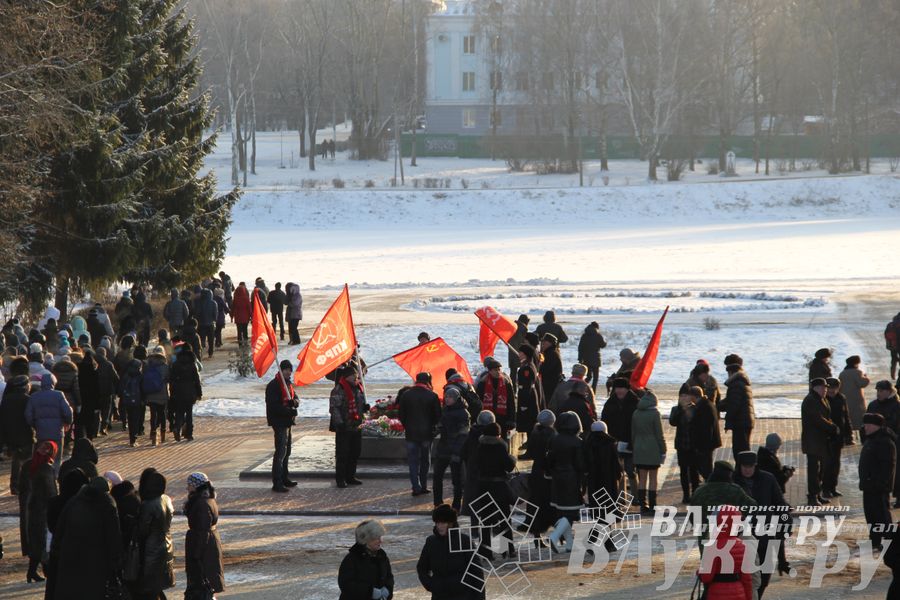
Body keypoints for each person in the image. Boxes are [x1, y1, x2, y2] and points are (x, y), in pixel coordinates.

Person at [49, 476, 121, 599]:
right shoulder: (108, 504)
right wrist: (116, 565)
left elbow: (59, 532)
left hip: (69, 561)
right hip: (96, 565)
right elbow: (114, 539)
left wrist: (56, 556)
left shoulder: (73, 502)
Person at [733, 451, 790, 598]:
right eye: (744, 466)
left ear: (755, 465)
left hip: (765, 533)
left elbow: (779, 504)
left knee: (765, 574)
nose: (747, 469)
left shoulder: (767, 479)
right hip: (741, 537)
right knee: (744, 575)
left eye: (750, 466)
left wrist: (785, 524)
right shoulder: (732, 481)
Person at [416, 504, 483, 600]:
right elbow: (421, 568)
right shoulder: (431, 542)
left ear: (451, 523)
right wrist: (431, 585)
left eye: (443, 523)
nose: (440, 526)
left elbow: (476, 572)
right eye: (437, 523)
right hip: (439, 596)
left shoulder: (464, 541)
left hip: (463, 595)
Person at [471, 422, 516, 559]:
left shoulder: (480, 447)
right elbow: (508, 467)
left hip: (484, 487)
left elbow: (475, 466)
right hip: (499, 487)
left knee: (486, 520)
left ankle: (486, 551)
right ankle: (507, 549)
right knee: (504, 519)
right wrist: (512, 459)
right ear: (498, 434)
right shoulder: (500, 448)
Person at [44, 468, 88, 599]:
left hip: (58, 551)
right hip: (77, 554)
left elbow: (51, 528)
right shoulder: (82, 504)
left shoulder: (54, 502)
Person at [18, 440, 57, 582]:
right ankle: (45, 571)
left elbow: (20, 486)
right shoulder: (47, 467)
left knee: (34, 540)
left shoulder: (28, 465)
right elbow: (51, 491)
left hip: (28, 508)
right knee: (44, 541)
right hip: (42, 509)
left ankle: (32, 572)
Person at [134, 470, 175, 600]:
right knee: (159, 583)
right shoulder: (166, 499)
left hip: (152, 547)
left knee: (150, 585)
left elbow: (143, 530)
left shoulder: (148, 504)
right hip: (167, 543)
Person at [697, 505, 754, 600]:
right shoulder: (742, 546)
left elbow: (706, 577)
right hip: (738, 593)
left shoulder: (712, 546)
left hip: (717, 593)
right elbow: (746, 578)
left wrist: (700, 572)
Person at [398, 372, 441, 496]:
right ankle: (424, 486)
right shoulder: (432, 396)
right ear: (428, 381)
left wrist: (407, 425)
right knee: (425, 460)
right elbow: (438, 416)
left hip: (411, 433)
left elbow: (401, 415)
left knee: (413, 461)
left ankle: (415, 487)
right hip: (427, 434)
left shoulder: (406, 395)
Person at [546, 411, 583, 553]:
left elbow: (549, 460)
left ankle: (569, 544)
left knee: (563, 512)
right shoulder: (577, 442)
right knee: (571, 513)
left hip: (557, 478)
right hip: (572, 479)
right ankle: (555, 536)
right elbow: (580, 464)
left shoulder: (554, 439)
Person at [858, 413, 896, 550]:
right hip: (868, 486)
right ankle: (874, 541)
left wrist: (879, 484)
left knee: (882, 517)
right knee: (871, 516)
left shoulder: (885, 442)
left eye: (868, 425)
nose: (865, 427)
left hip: (878, 488)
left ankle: (890, 542)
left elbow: (888, 467)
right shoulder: (872, 438)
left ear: (876, 426)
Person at [184, 472, 224, 595]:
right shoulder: (207, 499)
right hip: (208, 544)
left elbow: (203, 531)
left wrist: (196, 554)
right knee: (206, 581)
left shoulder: (201, 503)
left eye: (189, 484)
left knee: (203, 582)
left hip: (203, 547)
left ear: (196, 486)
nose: (187, 487)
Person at [25, 373, 72, 476]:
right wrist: (67, 422)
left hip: (41, 432)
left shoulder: (34, 396)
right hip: (57, 432)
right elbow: (68, 412)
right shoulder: (59, 394)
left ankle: (40, 477)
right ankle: (54, 478)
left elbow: (28, 414)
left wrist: (35, 425)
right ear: (53, 383)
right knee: (56, 458)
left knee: (41, 455)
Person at [600, 377, 639, 498]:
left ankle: (636, 497)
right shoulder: (610, 403)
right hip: (615, 442)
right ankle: (622, 497)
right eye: (617, 388)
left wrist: (631, 442)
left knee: (630, 471)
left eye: (622, 388)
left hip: (630, 442)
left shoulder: (635, 402)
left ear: (627, 389)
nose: (619, 391)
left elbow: (637, 425)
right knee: (618, 471)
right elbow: (604, 422)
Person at [330, 366, 368, 488]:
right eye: (353, 375)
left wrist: (365, 408)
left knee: (355, 452)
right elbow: (334, 408)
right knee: (342, 454)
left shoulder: (358, 388)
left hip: (356, 426)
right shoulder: (338, 389)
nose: (356, 377)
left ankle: (350, 476)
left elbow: (360, 404)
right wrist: (339, 423)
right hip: (344, 427)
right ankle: (340, 478)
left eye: (356, 375)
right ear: (346, 377)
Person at [0, 356, 33, 494]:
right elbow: (30, 417)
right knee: (26, 459)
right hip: (25, 432)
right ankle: (26, 483)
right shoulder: (27, 399)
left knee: (16, 459)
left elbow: (3, 418)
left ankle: (14, 485)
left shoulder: (7, 399)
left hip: (11, 433)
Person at [801, 377, 837, 506]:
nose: (825, 390)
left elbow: (826, 417)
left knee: (821, 469)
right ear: (815, 388)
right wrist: (832, 427)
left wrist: (831, 427)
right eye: (823, 387)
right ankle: (812, 496)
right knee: (813, 470)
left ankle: (817, 494)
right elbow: (818, 419)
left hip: (821, 440)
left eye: (826, 388)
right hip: (813, 441)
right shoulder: (810, 400)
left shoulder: (821, 399)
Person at [432, 387, 469, 510]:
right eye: (446, 397)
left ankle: (456, 505)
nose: (447, 399)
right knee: (437, 477)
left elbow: (463, 435)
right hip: (443, 448)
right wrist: (435, 430)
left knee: (456, 480)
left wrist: (457, 452)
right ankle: (438, 503)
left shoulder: (463, 413)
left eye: (450, 397)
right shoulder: (446, 410)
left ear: (456, 398)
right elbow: (442, 426)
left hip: (454, 450)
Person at [865, 380, 900, 508]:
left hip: (893, 443)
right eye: (877, 391)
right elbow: (866, 423)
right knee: (877, 471)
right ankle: (881, 496)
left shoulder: (896, 405)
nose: (879, 393)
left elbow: (896, 425)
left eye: (882, 391)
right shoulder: (873, 405)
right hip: (874, 443)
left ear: (889, 392)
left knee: (895, 472)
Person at [266, 360, 299, 493]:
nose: (287, 371)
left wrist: (294, 402)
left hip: (287, 422)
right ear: (281, 370)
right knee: (280, 452)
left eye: (289, 369)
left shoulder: (288, 384)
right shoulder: (274, 385)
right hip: (279, 422)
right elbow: (273, 406)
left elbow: (296, 398)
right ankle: (277, 482)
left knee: (287, 451)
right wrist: (289, 411)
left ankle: (285, 478)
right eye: (285, 369)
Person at [338, 520, 393, 600]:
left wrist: (388, 589)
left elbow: (389, 577)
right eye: (376, 538)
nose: (381, 541)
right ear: (365, 539)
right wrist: (370, 592)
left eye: (380, 537)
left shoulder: (382, 556)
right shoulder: (352, 559)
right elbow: (346, 584)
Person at [631, 390, 666, 513]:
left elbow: (633, 433)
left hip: (639, 447)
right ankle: (652, 505)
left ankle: (642, 505)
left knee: (642, 479)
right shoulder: (655, 414)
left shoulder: (636, 413)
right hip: (653, 448)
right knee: (653, 478)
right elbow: (659, 434)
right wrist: (663, 449)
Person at [523, 410, 557, 536]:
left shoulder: (534, 434)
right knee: (547, 500)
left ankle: (535, 528)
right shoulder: (552, 435)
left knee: (535, 499)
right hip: (547, 472)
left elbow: (531, 452)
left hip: (536, 470)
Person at [822, 377, 853, 498]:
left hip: (838, 437)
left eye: (835, 389)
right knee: (827, 464)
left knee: (835, 464)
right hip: (827, 437)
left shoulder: (841, 398)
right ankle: (825, 488)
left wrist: (848, 434)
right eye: (830, 389)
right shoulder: (823, 400)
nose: (832, 391)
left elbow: (846, 417)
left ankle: (833, 487)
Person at [670, 384, 700, 504]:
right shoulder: (676, 409)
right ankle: (686, 495)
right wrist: (681, 409)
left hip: (693, 445)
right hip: (681, 444)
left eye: (686, 395)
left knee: (694, 470)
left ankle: (695, 494)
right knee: (683, 471)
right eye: (681, 396)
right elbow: (673, 422)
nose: (683, 398)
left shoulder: (696, 408)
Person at [721, 355, 754, 461]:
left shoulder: (736, 383)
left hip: (741, 422)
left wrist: (728, 420)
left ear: (730, 370)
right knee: (742, 450)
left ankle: (743, 474)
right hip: (745, 421)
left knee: (741, 452)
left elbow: (733, 405)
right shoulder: (741, 380)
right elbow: (731, 400)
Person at [583, 420, 621, 508]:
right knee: (609, 496)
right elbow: (615, 461)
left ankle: (596, 512)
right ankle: (610, 514)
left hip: (593, 477)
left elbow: (585, 462)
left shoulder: (588, 444)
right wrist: (618, 473)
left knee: (595, 496)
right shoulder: (610, 444)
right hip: (609, 476)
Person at [475, 358, 516, 438]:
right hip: (487, 418)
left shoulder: (506, 383)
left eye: (499, 369)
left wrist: (511, 419)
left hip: (503, 418)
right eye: (495, 370)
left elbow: (511, 402)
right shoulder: (482, 383)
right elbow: (478, 402)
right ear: (490, 371)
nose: (498, 372)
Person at [170, 346, 202, 442]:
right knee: (189, 413)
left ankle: (177, 427)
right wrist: (199, 393)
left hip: (178, 392)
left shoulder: (176, 364)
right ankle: (189, 434)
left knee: (179, 412)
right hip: (190, 392)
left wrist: (172, 392)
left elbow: (172, 379)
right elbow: (197, 380)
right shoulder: (192, 365)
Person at [689, 384, 721, 480]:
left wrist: (700, 445)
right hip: (708, 443)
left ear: (694, 396)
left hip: (705, 444)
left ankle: (710, 485)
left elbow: (706, 428)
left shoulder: (704, 407)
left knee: (705, 468)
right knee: (705, 467)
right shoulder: (707, 404)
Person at [515, 344, 543, 447]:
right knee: (528, 422)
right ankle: (529, 444)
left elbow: (527, 386)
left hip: (527, 397)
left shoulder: (526, 368)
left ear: (525, 354)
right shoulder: (528, 365)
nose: (519, 354)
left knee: (529, 422)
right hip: (528, 395)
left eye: (521, 352)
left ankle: (531, 446)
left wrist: (524, 404)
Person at [143, 345, 170, 446]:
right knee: (162, 414)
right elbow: (168, 379)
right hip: (162, 394)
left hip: (151, 394)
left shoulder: (148, 366)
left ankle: (153, 434)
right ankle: (162, 434)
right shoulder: (165, 367)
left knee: (153, 415)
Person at [839, 355, 870, 434]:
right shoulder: (857, 372)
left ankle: (849, 434)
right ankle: (862, 435)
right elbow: (862, 383)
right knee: (859, 417)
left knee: (848, 416)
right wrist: (866, 378)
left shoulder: (842, 373)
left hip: (845, 398)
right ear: (855, 363)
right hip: (857, 399)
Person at [119, 358, 145, 447]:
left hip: (127, 400)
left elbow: (121, 387)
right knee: (136, 419)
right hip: (138, 400)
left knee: (130, 419)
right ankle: (134, 438)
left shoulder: (126, 375)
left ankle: (131, 438)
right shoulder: (140, 376)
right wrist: (144, 400)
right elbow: (143, 389)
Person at [95, 346, 120, 436]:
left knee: (96, 411)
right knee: (106, 411)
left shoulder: (93, 363)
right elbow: (116, 377)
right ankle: (103, 428)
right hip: (107, 391)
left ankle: (96, 429)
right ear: (104, 354)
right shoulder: (108, 364)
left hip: (96, 392)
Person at [578, 322, 607, 393]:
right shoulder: (598, 335)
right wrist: (605, 342)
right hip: (596, 359)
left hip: (586, 359)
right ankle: (593, 392)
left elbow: (580, 348)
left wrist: (580, 358)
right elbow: (602, 345)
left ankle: (580, 388)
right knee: (595, 378)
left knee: (588, 376)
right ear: (596, 327)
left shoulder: (584, 335)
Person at [539, 333, 563, 402]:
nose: (542, 344)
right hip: (548, 384)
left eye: (545, 342)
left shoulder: (552, 354)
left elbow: (545, 369)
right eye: (542, 342)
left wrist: (539, 366)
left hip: (551, 385)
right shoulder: (548, 353)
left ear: (551, 343)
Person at [507, 314, 529, 387]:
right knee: (523, 372)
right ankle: (521, 388)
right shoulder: (524, 328)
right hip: (521, 353)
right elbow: (525, 341)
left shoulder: (512, 326)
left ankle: (512, 389)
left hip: (511, 352)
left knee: (513, 373)